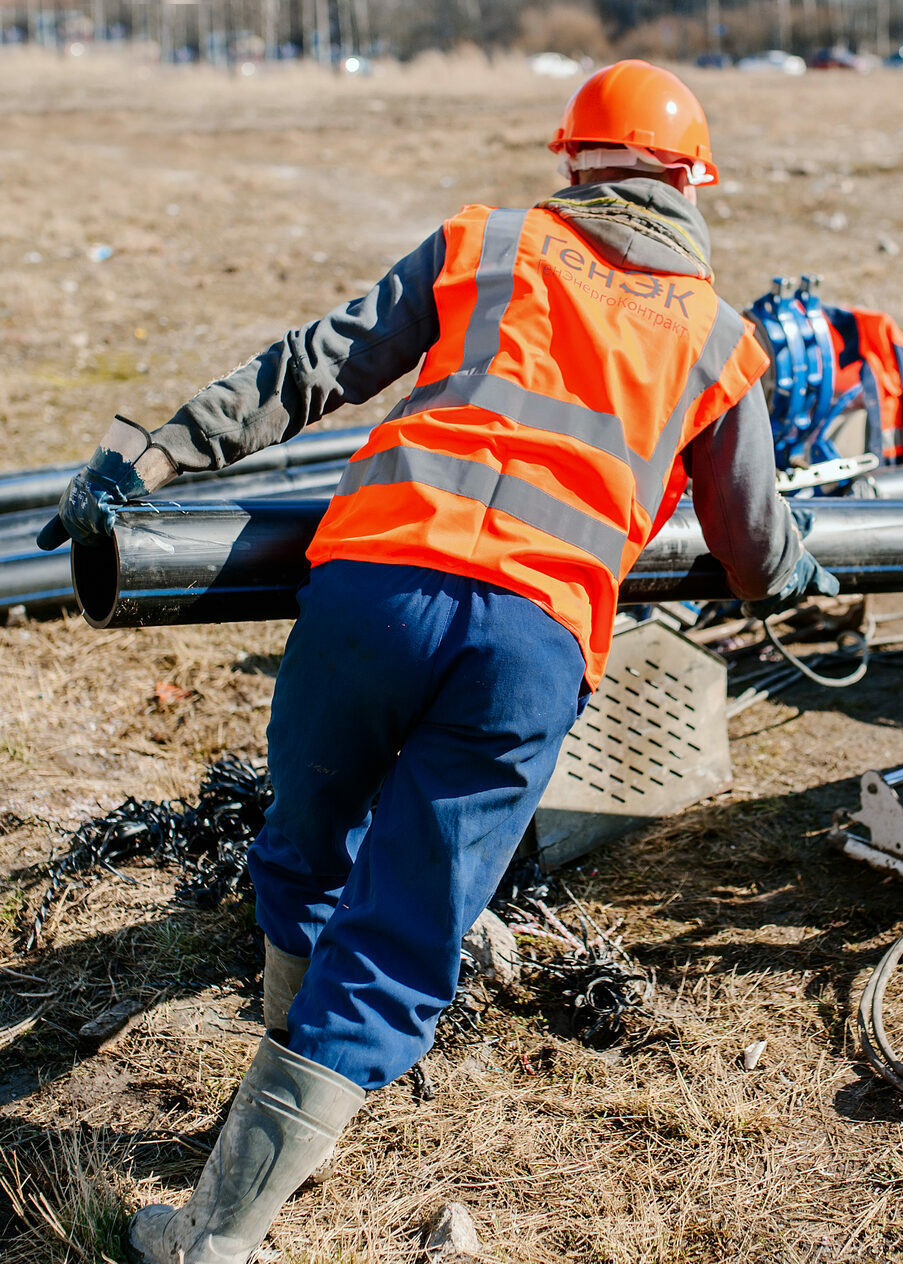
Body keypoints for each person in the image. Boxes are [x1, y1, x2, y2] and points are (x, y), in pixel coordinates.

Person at [39, 60, 834, 1264]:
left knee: (307, 843)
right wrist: (803, 574)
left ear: (573, 163)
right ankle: (220, 1225)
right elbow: (751, 543)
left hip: (368, 590)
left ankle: (257, 1132)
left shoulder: (489, 241)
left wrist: (143, 467)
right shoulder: (721, 340)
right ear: (690, 180)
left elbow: (311, 364)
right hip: (528, 641)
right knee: (403, 933)